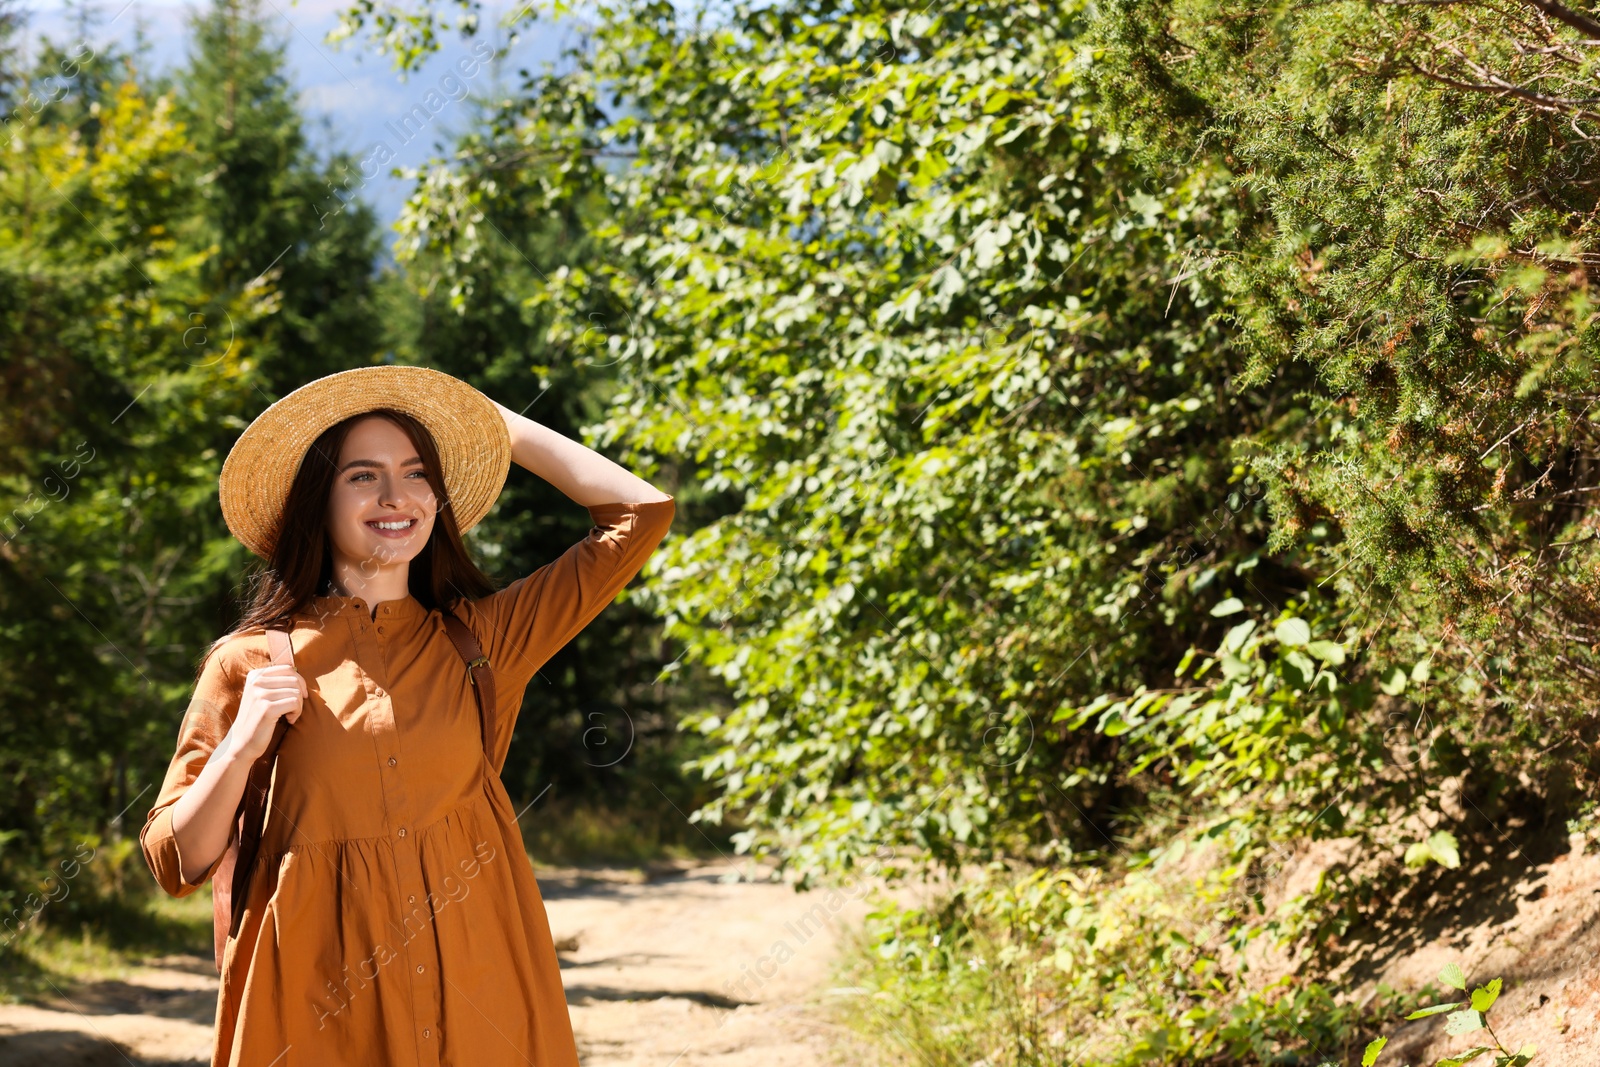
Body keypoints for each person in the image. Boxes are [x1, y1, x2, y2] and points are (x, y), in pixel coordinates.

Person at [137, 365, 675, 1066]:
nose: (396, 496)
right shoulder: (246, 663)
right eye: (362, 476)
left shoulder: (483, 642)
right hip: (317, 1010)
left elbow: (641, 512)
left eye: (417, 472)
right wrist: (240, 747)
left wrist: (495, 426)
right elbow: (174, 859)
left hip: (482, 994)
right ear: (317, 501)